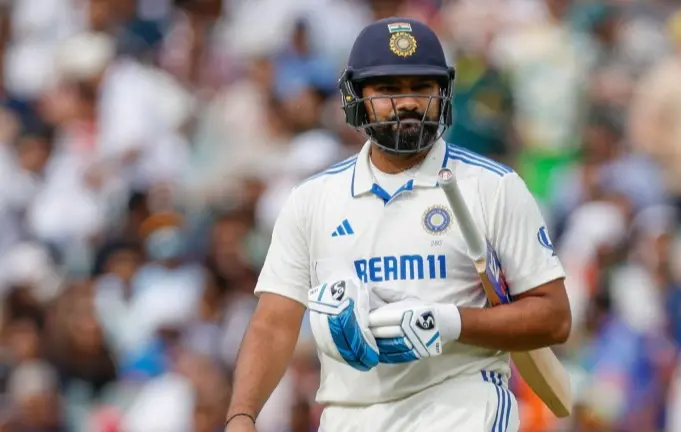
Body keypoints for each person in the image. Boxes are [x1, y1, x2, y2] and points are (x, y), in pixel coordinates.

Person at [225, 17, 571, 432]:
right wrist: (242, 416)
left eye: (421, 88)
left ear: (442, 93)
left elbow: (555, 318)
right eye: (388, 89)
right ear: (357, 97)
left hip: (461, 408)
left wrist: (447, 322)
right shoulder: (312, 199)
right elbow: (273, 322)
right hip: (349, 416)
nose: (407, 103)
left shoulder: (493, 187)